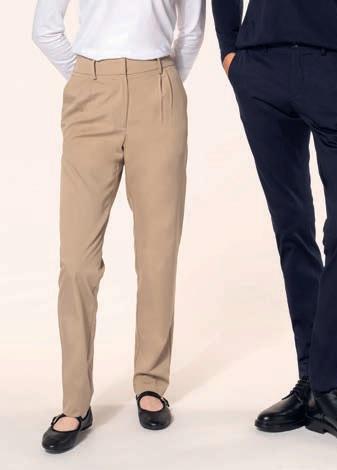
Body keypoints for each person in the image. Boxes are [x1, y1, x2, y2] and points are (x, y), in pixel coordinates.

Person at [212, 0, 337, 450]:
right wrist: (230, 50)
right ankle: (312, 380)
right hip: (261, 66)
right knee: (292, 229)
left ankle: (329, 386)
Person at [32, 0, 205, 453]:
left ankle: (151, 382)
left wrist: (160, 84)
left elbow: (190, 31)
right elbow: (44, 28)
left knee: (158, 251)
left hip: (159, 92)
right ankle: (75, 402)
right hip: (90, 92)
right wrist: (89, 78)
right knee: (77, 261)